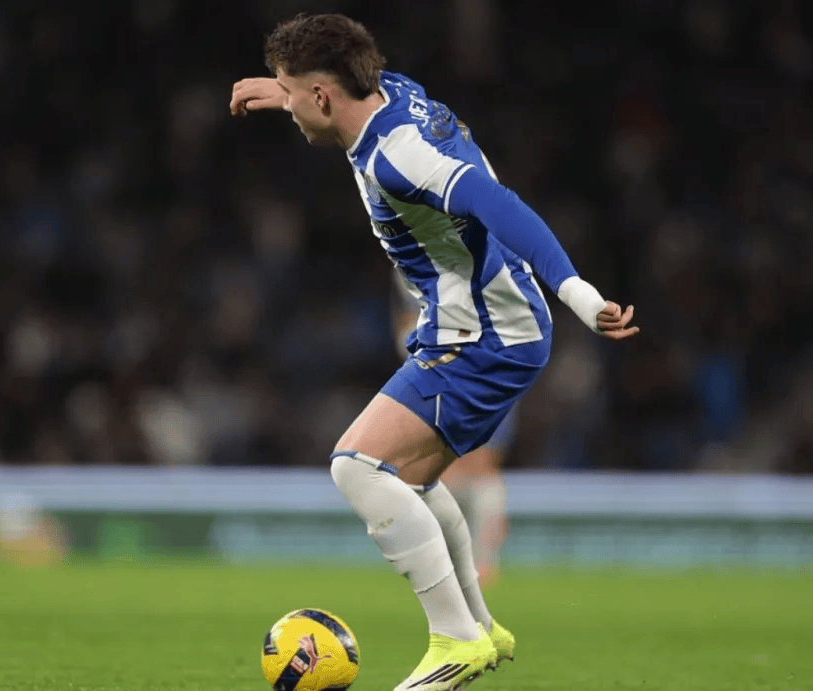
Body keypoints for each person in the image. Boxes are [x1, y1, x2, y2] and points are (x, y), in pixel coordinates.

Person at [230, 14, 639, 691]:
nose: (291, 106)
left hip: (488, 335)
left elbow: (498, 204)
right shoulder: (390, 91)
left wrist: (580, 294)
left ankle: (454, 639)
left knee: (357, 466)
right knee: (412, 480)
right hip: (470, 322)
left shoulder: (400, 158)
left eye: (294, 92)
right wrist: (284, 93)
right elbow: (345, 91)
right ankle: (479, 625)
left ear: (323, 95)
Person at [392, 273, 512, 588]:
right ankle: (460, 559)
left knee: (478, 466)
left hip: (484, 366)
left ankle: (481, 561)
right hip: (442, 369)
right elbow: (406, 321)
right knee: (446, 468)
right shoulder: (413, 263)